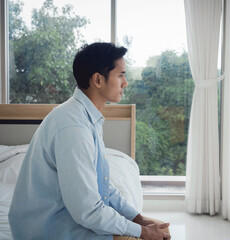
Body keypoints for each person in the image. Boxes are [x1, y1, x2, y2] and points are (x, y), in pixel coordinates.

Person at [8, 42, 171, 240]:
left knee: (162, 231)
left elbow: (103, 187)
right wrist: (142, 232)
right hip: (49, 229)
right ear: (98, 80)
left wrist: (138, 219)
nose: (125, 83)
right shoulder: (72, 126)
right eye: (120, 75)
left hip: (71, 219)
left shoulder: (86, 117)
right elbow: (87, 210)